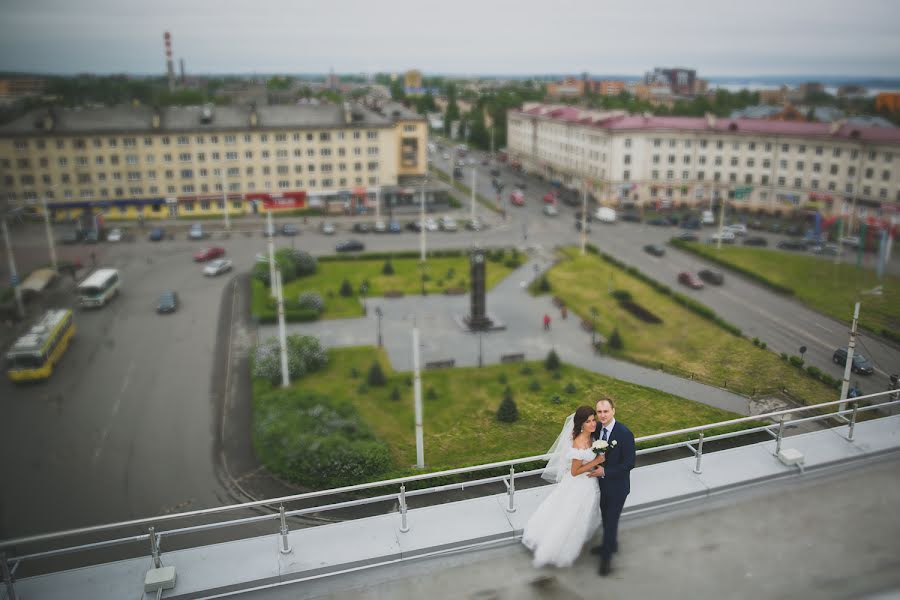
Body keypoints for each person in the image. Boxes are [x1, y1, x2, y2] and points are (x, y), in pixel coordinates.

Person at [521, 406, 605, 567]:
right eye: (588, 421)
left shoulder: (591, 438)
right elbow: (574, 471)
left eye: (593, 420)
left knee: (583, 514)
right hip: (579, 483)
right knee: (572, 515)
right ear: (581, 424)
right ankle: (560, 545)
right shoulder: (579, 442)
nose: (593, 423)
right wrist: (596, 462)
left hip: (588, 481)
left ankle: (579, 540)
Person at [589, 397, 636, 576]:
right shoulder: (598, 428)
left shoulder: (624, 433)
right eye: (599, 412)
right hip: (600, 486)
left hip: (617, 488)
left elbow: (629, 463)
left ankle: (606, 558)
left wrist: (605, 472)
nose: (602, 415)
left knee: (610, 521)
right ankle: (611, 544)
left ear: (613, 411)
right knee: (607, 519)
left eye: (606, 411)